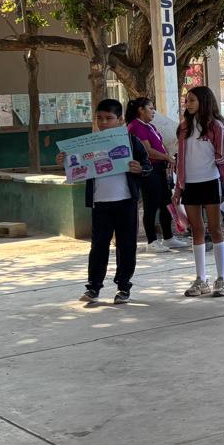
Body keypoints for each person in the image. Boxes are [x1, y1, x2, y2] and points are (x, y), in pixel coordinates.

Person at [59, 99, 150, 304]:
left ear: (120, 120)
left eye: (109, 118)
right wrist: (65, 162)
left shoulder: (131, 141)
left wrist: (140, 168)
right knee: (98, 246)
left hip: (126, 201)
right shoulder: (87, 144)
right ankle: (93, 287)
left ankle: (123, 287)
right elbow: (75, 168)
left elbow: (146, 165)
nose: (104, 122)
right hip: (100, 203)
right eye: (99, 118)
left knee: (127, 246)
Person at [173, 86, 224, 297]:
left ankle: (221, 278)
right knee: (196, 230)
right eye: (186, 101)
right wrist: (179, 187)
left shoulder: (215, 126)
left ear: (204, 102)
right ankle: (201, 279)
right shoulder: (183, 128)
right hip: (190, 184)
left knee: (215, 229)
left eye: (192, 100)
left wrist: (212, 166)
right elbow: (181, 159)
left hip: (210, 182)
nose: (187, 104)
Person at [125, 97, 186, 252]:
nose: (153, 112)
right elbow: (147, 150)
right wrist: (166, 157)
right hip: (148, 171)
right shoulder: (135, 127)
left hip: (160, 169)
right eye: (151, 108)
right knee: (151, 205)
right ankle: (151, 241)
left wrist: (167, 158)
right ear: (141, 110)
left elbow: (160, 144)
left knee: (165, 203)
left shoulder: (150, 126)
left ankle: (168, 237)